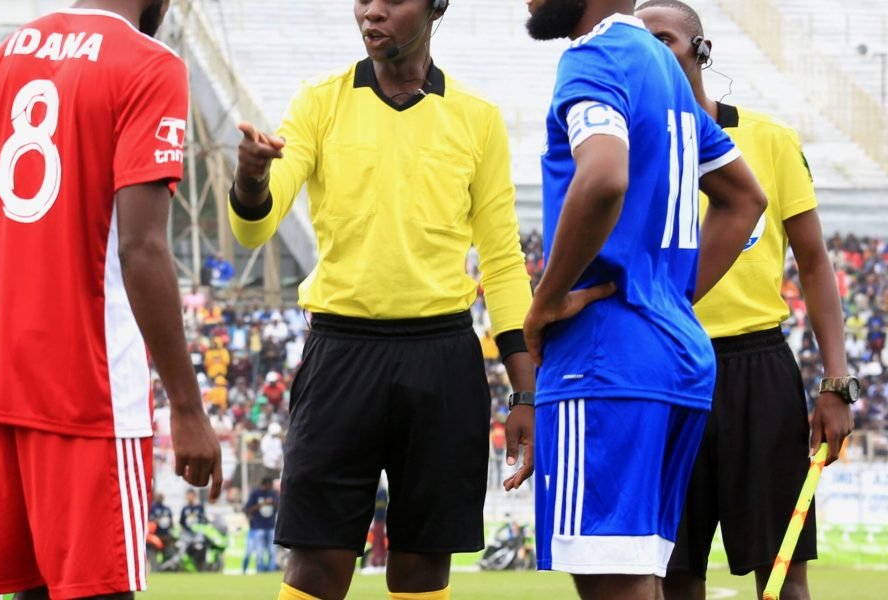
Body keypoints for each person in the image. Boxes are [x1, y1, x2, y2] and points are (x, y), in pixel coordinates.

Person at [230, 1, 538, 598]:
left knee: (424, 567)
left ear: (435, 6)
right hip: (341, 352)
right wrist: (251, 178)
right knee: (316, 563)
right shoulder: (320, 102)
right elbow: (254, 226)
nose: (371, 11)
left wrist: (525, 390)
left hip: (443, 356)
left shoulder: (477, 118)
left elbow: (502, 262)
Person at [0, 1, 223, 598]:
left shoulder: (4, 57)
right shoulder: (150, 65)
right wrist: (187, 407)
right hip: (86, 390)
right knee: (101, 589)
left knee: (33, 590)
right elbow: (142, 248)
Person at [522, 0, 767, 598]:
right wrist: (670, 299)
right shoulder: (665, 71)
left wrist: (546, 299)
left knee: (614, 585)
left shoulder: (596, 56)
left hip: (605, 359)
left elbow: (604, 175)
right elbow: (744, 200)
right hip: (674, 356)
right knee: (642, 581)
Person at [635, 3, 856, 599]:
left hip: (758, 372)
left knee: (782, 572)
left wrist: (837, 381)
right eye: (640, 42)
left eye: (665, 40)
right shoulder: (628, 149)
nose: (651, 53)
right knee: (672, 574)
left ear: (700, 51)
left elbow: (813, 263)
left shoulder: (769, 141)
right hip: (666, 369)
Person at [243, 477, 281, 574]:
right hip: (258, 527)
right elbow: (248, 509)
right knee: (259, 552)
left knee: (272, 552)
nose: (270, 488)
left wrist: (273, 503)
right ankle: (260, 570)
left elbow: (281, 507)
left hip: (271, 526)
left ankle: (271, 571)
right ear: (264, 485)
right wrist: (262, 504)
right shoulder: (255, 494)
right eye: (269, 486)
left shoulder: (273, 494)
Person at [148, 493, 175, 564]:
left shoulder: (167, 509)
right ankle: (155, 566)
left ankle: (167, 566)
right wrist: (156, 520)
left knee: (169, 551)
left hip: (165, 535)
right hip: (155, 535)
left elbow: (171, 522)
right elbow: (149, 520)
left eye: (161, 496)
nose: (160, 498)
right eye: (158, 496)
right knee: (153, 552)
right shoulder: (151, 508)